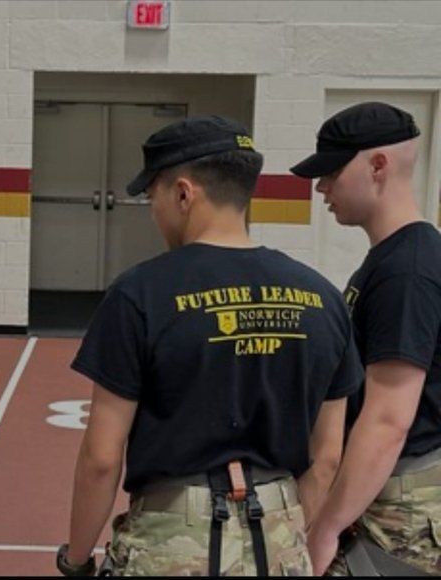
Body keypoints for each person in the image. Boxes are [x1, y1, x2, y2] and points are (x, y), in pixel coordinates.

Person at [56, 115, 363, 576]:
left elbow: (102, 459)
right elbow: (327, 457)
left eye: (153, 196)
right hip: (278, 538)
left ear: (183, 193)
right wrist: (289, 533)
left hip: (172, 539)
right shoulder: (322, 297)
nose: (154, 211)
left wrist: (76, 560)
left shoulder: (139, 294)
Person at [291, 101, 441, 575]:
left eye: (332, 171)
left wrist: (327, 527)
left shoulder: (407, 271)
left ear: (377, 165)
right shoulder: (393, 258)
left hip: (400, 505)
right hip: (386, 488)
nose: (321, 187)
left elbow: (389, 417)